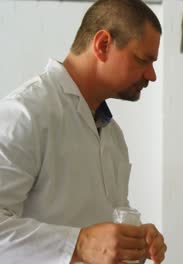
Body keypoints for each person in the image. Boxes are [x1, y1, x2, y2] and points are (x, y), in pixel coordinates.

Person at [0, 0, 166, 263]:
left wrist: (135, 239)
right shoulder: (25, 113)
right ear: (102, 45)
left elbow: (104, 227)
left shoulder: (112, 135)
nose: (152, 75)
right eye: (142, 60)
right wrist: (79, 244)